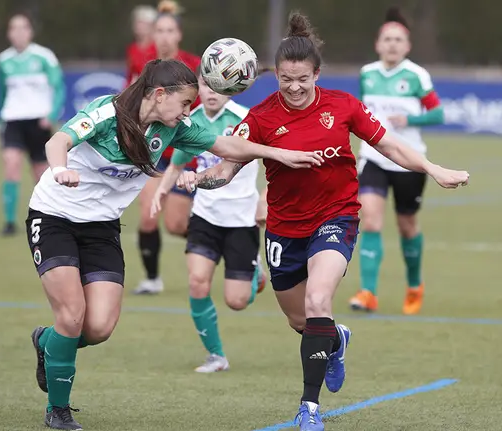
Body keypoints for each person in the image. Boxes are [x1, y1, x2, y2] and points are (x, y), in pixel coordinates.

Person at [174, 12, 469, 431]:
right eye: (285, 80)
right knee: (303, 322)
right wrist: (197, 178)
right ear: (276, 75)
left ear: (317, 74)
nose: (294, 88)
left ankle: (309, 408)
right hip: (283, 229)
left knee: (317, 303)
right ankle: (336, 339)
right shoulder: (258, 118)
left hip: (337, 216)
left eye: (303, 79)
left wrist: (433, 168)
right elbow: (225, 170)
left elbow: (390, 146)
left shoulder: (343, 106)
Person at [25, 59, 321, 430]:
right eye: (184, 103)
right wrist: (59, 169)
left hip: (101, 229)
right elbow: (59, 141)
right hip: (54, 218)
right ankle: (59, 409)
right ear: (160, 94)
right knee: (71, 315)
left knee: (98, 327)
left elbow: (226, 144)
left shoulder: (175, 128)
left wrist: (277, 152)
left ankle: (47, 343)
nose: (188, 112)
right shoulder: (107, 111)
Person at [150, 71, 267, 373]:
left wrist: (265, 199)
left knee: (237, 301)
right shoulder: (189, 122)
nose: (212, 92)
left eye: (219, 86)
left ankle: (254, 271)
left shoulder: (247, 119)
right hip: (204, 216)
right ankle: (216, 356)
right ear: (197, 87)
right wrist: (161, 192)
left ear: (233, 88)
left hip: (242, 219)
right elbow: (176, 165)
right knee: (197, 282)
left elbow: (273, 162)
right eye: (206, 84)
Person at [349, 7, 445, 315]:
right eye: (387, 39)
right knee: (371, 220)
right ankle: (368, 293)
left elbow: (439, 113)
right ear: (378, 44)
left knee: (407, 226)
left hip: (408, 160)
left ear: (407, 46)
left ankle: (415, 285)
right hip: (373, 158)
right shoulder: (367, 74)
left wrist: (411, 118)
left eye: (398, 40)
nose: (392, 44)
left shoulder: (417, 75)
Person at [130, 0, 203, 295]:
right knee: (148, 215)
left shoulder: (194, 65)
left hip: (182, 155)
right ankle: (152, 279)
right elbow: (131, 97)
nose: (163, 36)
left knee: (175, 224)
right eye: (158, 30)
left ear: (178, 35)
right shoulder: (140, 60)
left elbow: (200, 109)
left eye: (169, 30)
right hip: (152, 153)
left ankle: (218, 240)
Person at [0, 13, 65, 236]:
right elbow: (2, 94)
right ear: (9, 33)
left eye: (23, 28)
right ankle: (9, 223)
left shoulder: (44, 57)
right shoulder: (3, 60)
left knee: (42, 174)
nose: (18, 32)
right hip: (13, 120)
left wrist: (52, 114)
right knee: (11, 165)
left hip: (38, 121)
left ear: (30, 32)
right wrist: (0, 122)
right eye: (13, 28)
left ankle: (49, 218)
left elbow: (59, 87)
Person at [125, 5, 157, 85]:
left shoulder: (157, 48)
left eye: (143, 23)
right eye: (137, 22)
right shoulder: (132, 48)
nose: (139, 26)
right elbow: (130, 75)